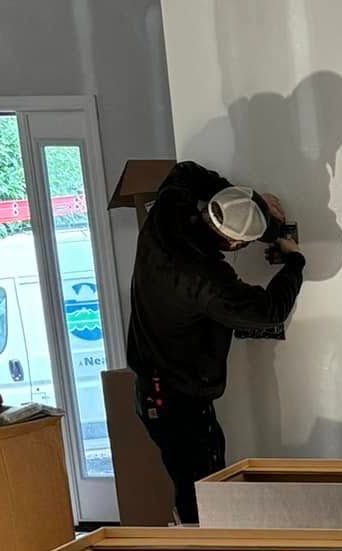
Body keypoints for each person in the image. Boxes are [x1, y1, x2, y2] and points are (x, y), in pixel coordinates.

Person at [127, 160, 305, 522]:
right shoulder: (205, 280)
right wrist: (294, 262)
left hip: (154, 389)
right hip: (177, 402)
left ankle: (197, 536)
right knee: (204, 492)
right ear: (235, 242)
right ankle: (200, 545)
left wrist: (250, 204)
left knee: (197, 484)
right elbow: (269, 310)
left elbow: (185, 171)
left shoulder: (165, 215)